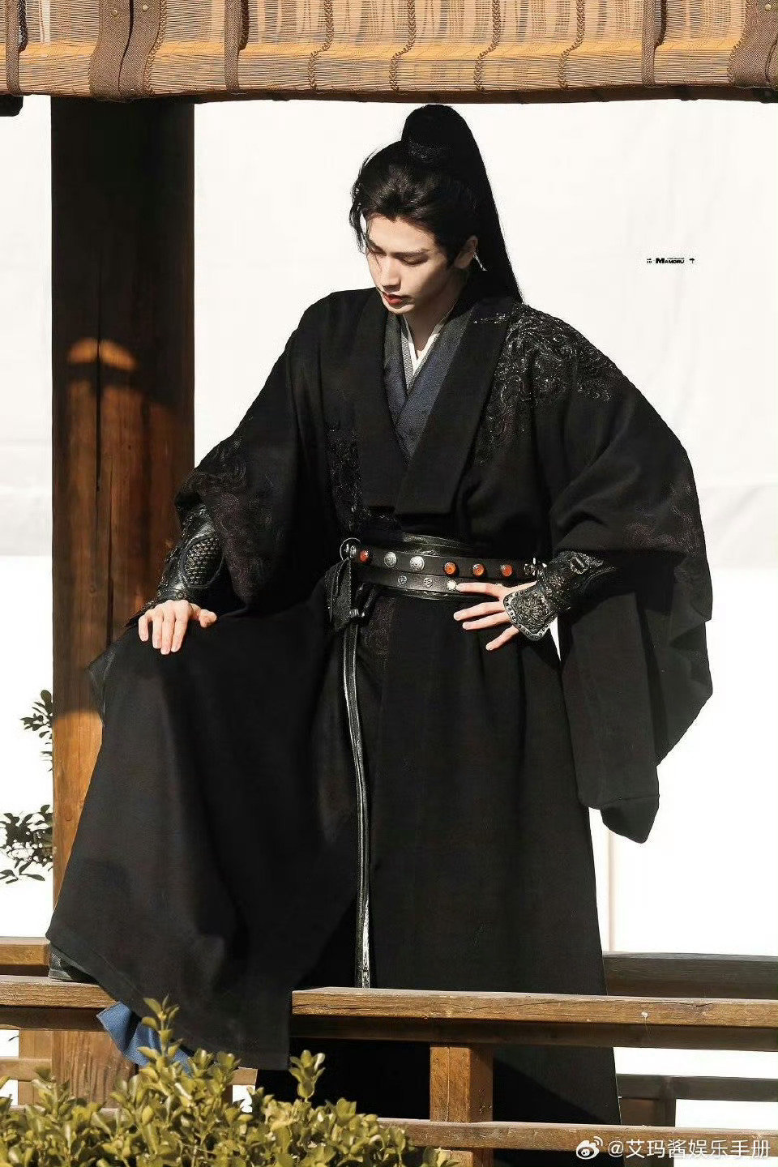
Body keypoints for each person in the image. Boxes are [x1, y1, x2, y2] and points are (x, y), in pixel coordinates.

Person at [45, 104, 712, 1163]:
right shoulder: (332, 333)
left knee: (476, 922)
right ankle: (185, 992)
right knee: (169, 675)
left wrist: (547, 591)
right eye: (372, 247)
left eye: (410, 256)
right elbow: (251, 473)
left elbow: (648, 488)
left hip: (483, 681)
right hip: (350, 661)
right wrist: (182, 586)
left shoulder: (533, 352)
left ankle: (518, 1143)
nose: (387, 274)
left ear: (467, 249)